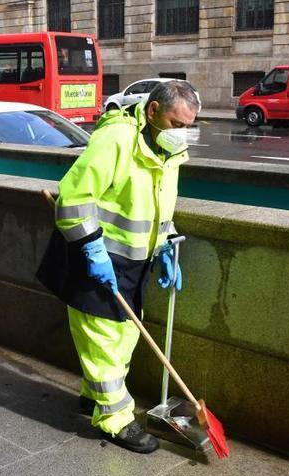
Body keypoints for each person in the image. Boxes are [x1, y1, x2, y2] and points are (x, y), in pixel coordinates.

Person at [36, 80, 199, 454]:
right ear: (154, 111)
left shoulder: (167, 149)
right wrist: (92, 249)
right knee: (104, 339)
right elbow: (73, 198)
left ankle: (92, 396)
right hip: (96, 257)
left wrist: (167, 243)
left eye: (190, 125)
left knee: (124, 335)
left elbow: (159, 203)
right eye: (177, 124)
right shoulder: (116, 140)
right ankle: (116, 420)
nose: (183, 133)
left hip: (134, 262)